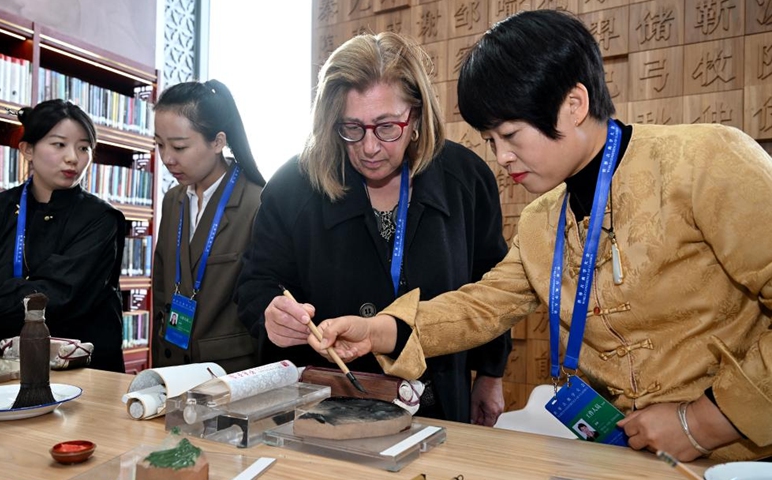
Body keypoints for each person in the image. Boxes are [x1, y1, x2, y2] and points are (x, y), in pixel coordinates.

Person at [310, 10, 772, 462]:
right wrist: (379, 330)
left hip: (741, 456)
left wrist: (705, 421)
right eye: (492, 141)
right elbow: (481, 306)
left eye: (511, 134)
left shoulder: (705, 163)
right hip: (627, 456)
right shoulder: (541, 221)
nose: (503, 157)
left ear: (573, 104)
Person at [235, 31, 512, 426]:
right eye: (352, 128)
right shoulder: (294, 185)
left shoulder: (464, 178)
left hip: (435, 402)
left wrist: (491, 374)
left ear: (415, 116)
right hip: (323, 408)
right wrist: (270, 315)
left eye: (386, 127)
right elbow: (255, 282)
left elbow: (492, 286)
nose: (369, 147)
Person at [0, 99, 126, 372]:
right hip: (4, 366)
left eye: (84, 147)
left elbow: (57, 294)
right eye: (59, 144)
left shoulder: (101, 218)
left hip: (81, 368)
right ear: (27, 149)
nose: (73, 158)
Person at [152, 79, 264, 373]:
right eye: (160, 145)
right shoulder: (173, 200)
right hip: (172, 360)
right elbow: (162, 288)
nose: (167, 158)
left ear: (218, 141)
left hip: (229, 371)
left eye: (179, 146)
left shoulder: (257, 202)